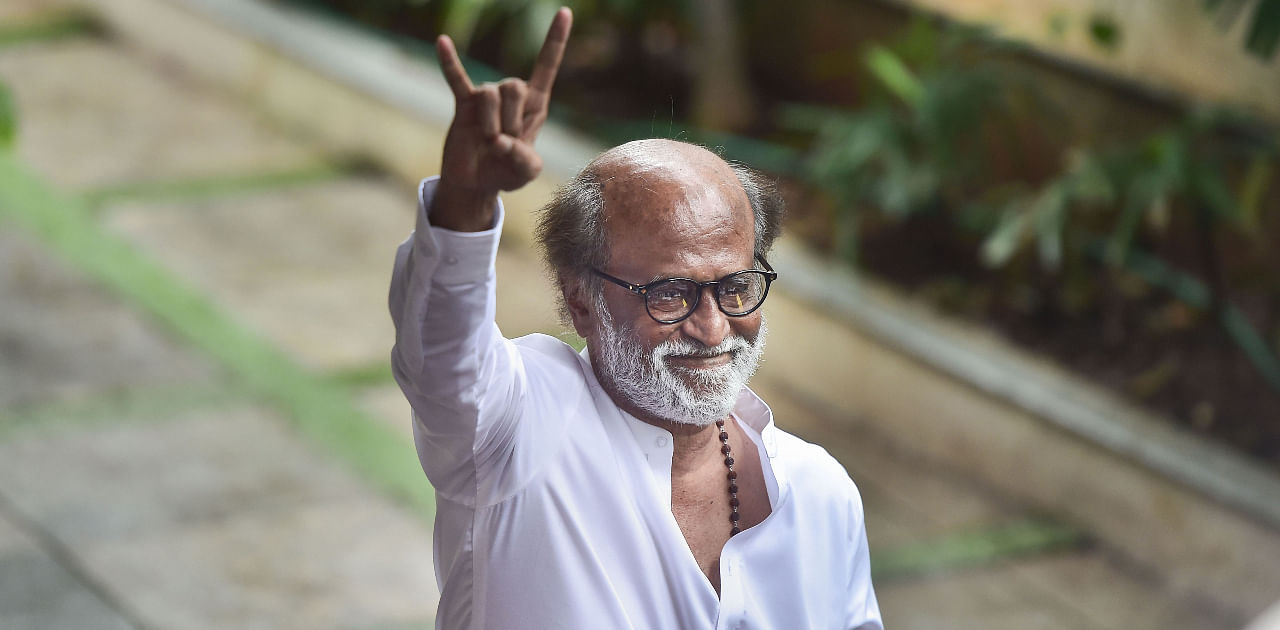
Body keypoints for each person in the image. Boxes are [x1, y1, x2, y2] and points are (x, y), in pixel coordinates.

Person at [389, 8, 882, 628]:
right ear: (581, 302)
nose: (713, 328)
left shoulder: (820, 496)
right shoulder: (519, 431)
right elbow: (444, 359)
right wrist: (464, 202)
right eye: (671, 295)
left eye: (736, 287)